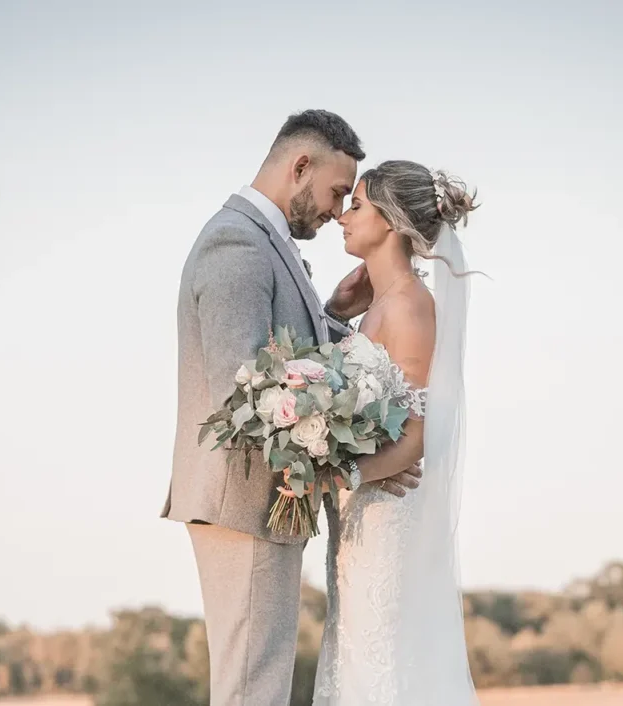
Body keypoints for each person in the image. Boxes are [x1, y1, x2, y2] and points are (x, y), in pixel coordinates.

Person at [162, 110, 421, 706]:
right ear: (299, 166)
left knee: (260, 684)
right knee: (252, 689)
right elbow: (245, 391)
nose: (337, 211)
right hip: (244, 500)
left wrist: (331, 313)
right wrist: (356, 461)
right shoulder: (237, 242)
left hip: (262, 501)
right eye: (335, 192)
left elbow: (278, 367)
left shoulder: (263, 242)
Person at [313, 160, 481, 705]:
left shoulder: (410, 306)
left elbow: (416, 435)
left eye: (356, 205)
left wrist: (334, 476)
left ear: (389, 220)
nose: (342, 216)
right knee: (356, 658)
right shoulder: (378, 306)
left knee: (382, 662)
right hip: (360, 513)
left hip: (387, 513)